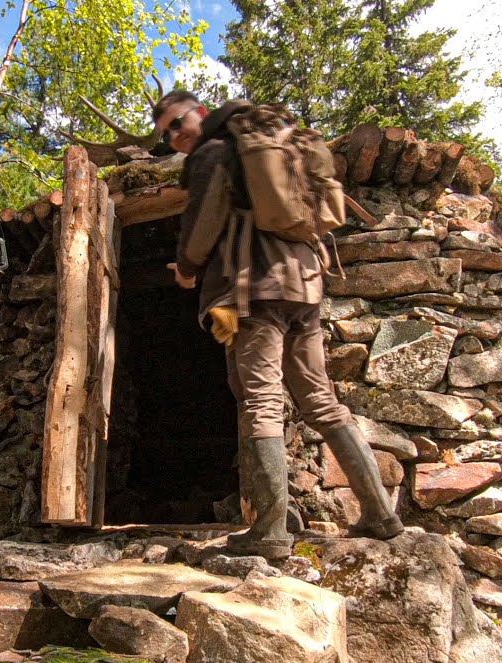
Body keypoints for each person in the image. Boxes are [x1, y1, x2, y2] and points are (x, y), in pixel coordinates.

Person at [153, 90, 404, 559]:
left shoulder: (214, 152)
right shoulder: (266, 141)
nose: (172, 137)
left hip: (255, 289)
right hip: (305, 286)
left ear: (200, 114)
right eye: (165, 133)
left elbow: (205, 221)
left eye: (176, 123)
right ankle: (381, 516)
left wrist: (187, 268)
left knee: (261, 401)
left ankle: (269, 532)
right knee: (321, 401)